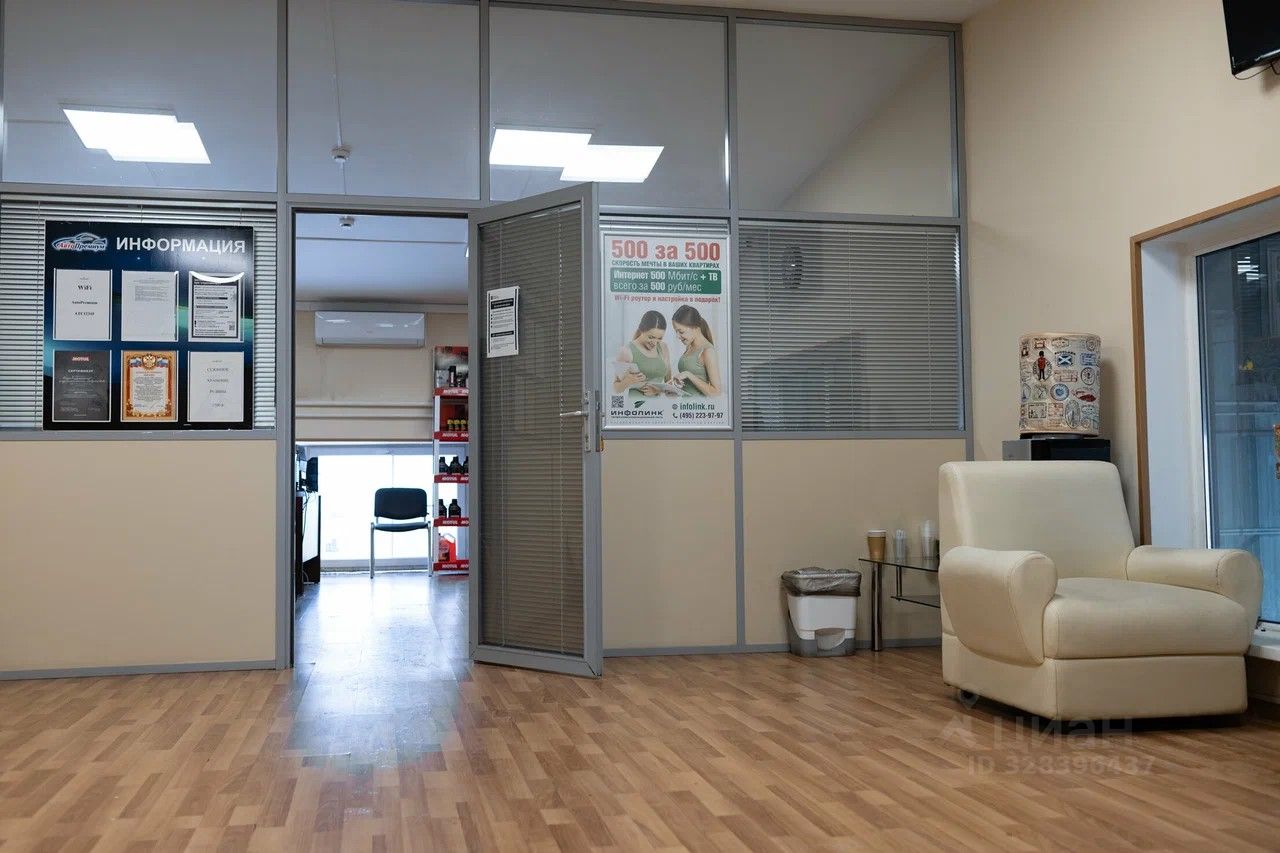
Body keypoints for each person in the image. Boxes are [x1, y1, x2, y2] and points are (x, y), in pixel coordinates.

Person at [613, 310, 671, 397]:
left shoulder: (663, 347)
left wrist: (658, 390)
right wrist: (628, 381)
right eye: (651, 337)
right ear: (641, 330)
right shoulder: (626, 351)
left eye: (659, 338)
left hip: (660, 404)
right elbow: (616, 389)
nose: (655, 343)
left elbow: (669, 384)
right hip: (636, 404)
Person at [670, 304, 722, 397]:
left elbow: (716, 393)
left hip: (698, 405)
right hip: (684, 404)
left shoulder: (707, 351)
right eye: (676, 331)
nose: (677, 336)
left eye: (681, 332)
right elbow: (689, 387)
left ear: (695, 327)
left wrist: (689, 375)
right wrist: (674, 388)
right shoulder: (689, 347)